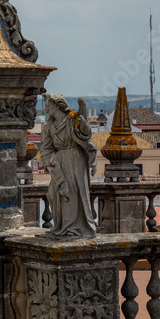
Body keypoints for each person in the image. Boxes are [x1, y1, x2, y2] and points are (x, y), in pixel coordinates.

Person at [41, 93, 97, 237]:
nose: (45, 109)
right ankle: (62, 225)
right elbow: (46, 148)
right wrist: (49, 162)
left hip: (75, 158)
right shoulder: (47, 126)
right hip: (58, 161)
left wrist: (82, 116)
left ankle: (73, 227)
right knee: (53, 192)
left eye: (48, 105)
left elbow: (86, 134)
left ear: (56, 105)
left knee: (73, 192)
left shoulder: (72, 120)